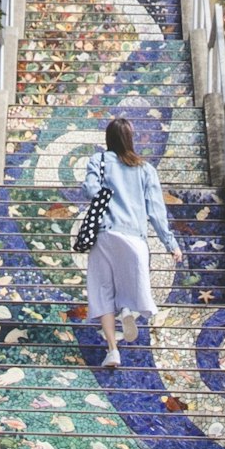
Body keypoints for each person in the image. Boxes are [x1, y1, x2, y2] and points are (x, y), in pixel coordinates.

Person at [71, 118, 172, 368]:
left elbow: (89, 190)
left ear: (108, 139)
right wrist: (171, 243)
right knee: (128, 281)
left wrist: (108, 195)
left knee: (103, 290)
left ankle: (112, 350)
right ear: (130, 139)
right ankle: (126, 310)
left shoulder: (99, 160)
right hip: (134, 238)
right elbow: (157, 212)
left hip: (105, 233)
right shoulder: (146, 169)